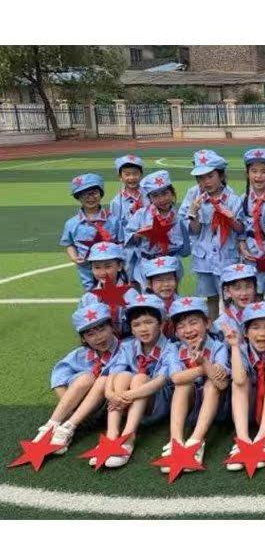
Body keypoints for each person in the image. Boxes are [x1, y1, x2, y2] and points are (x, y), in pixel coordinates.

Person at [102, 294, 178, 467]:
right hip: (125, 403)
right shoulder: (127, 346)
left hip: (155, 404)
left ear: (161, 324)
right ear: (131, 328)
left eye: (149, 322)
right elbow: (114, 372)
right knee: (123, 375)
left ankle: (129, 436)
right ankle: (112, 435)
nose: (143, 329)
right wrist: (110, 393)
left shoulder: (170, 348)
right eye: (136, 324)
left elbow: (160, 381)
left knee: (140, 377)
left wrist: (128, 395)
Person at [34, 302, 121, 452]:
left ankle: (67, 427)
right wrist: (69, 408)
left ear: (112, 327)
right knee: (86, 378)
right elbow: (58, 377)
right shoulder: (80, 354)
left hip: (108, 408)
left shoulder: (126, 350)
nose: (99, 337)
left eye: (102, 329)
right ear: (83, 339)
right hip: (76, 408)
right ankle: (51, 426)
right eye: (90, 334)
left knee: (104, 380)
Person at [162, 296, 230, 468]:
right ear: (175, 332)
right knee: (183, 384)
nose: (188, 330)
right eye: (181, 326)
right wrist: (203, 368)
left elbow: (221, 384)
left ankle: (196, 441)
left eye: (193, 323)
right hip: (188, 406)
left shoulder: (218, 346)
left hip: (217, 408)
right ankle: (176, 440)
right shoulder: (173, 348)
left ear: (207, 323)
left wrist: (204, 361)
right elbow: (176, 378)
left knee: (211, 384)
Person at [224, 301, 265, 470]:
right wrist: (234, 346)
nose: (262, 333)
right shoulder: (241, 348)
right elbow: (238, 380)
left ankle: (262, 439)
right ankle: (242, 439)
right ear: (245, 332)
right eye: (255, 327)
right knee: (239, 383)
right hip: (247, 407)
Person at [185, 152, 245, 319]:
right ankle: (212, 327)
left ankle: (231, 329)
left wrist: (231, 219)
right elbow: (195, 231)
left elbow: (241, 229)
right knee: (210, 298)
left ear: (221, 175)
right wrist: (193, 213)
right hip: (203, 259)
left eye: (210, 176)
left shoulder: (232, 199)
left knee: (229, 298)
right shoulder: (194, 197)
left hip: (226, 256)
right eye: (201, 178)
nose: (206, 181)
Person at [124, 170, 190, 290]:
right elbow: (128, 237)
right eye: (155, 196)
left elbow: (185, 250)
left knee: (169, 294)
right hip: (147, 264)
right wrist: (138, 235)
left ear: (172, 193)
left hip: (170, 264)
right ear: (149, 198)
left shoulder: (179, 218)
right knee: (149, 297)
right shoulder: (141, 215)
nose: (162, 199)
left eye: (165, 193)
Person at [61, 173, 120, 291]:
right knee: (91, 294)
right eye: (84, 195)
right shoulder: (71, 223)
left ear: (101, 193)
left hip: (110, 267)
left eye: (94, 193)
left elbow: (121, 242)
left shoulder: (114, 220)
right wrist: (74, 257)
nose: (90, 198)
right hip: (86, 269)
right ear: (78, 197)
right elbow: (69, 244)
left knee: (115, 293)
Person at [238, 147, 265, 295]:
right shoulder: (243, 200)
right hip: (251, 255)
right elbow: (240, 230)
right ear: (247, 173)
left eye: (264, 171)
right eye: (254, 171)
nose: (259, 176)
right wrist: (242, 246)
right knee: (253, 293)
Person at [213, 263, 259, 337]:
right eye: (237, 288)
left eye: (248, 286)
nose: (244, 293)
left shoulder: (263, 316)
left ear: (255, 288)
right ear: (227, 291)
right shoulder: (221, 324)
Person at [109, 154, 145, 229]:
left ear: (141, 174)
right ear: (120, 176)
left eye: (135, 173)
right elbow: (115, 227)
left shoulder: (149, 196)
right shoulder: (116, 202)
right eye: (127, 174)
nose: (131, 177)